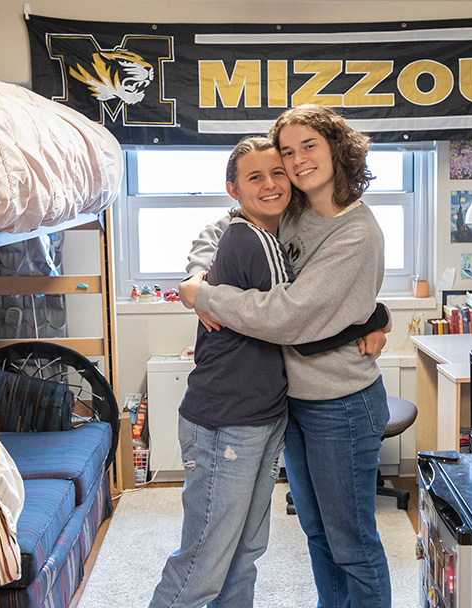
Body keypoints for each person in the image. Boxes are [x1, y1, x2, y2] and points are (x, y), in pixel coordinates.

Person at [148, 136, 387, 608]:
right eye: (257, 175)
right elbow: (218, 236)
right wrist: (194, 280)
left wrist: (375, 316)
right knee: (211, 557)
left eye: (281, 170)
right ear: (233, 189)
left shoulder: (328, 227)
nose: (280, 178)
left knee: (262, 549)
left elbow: (297, 313)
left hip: (296, 406)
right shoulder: (258, 229)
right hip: (235, 414)